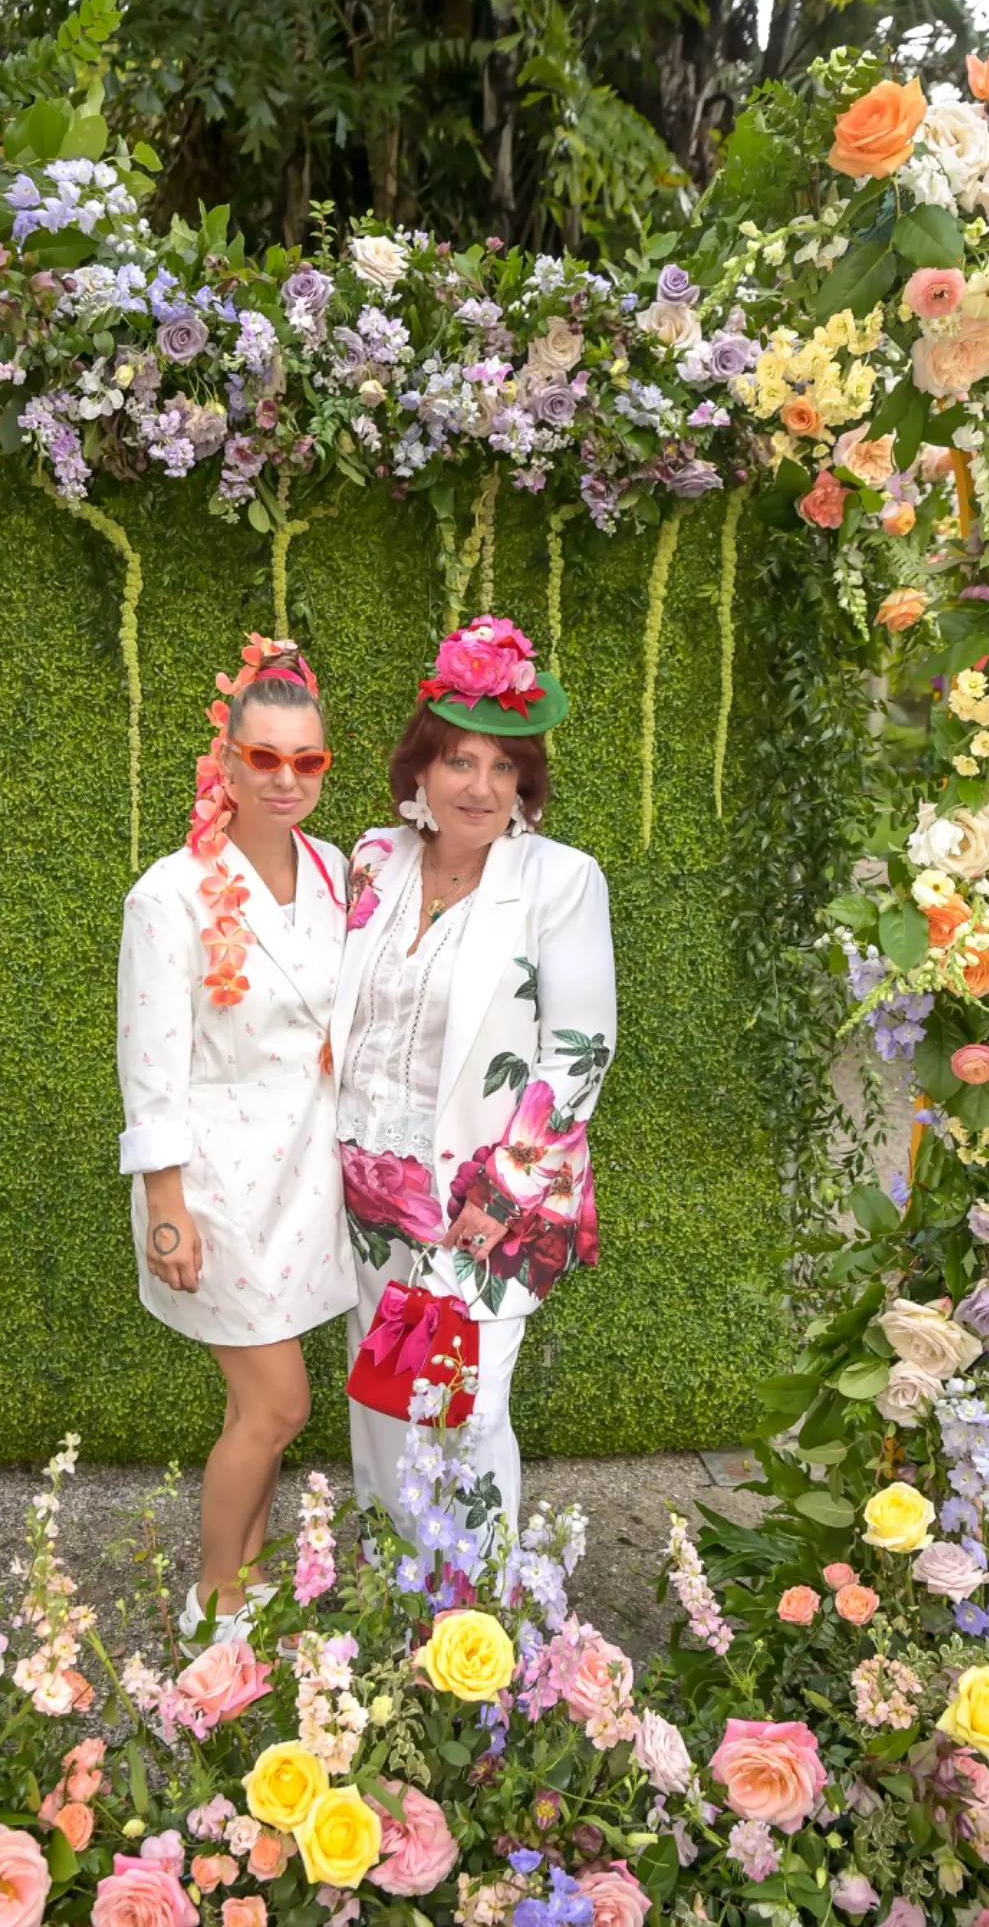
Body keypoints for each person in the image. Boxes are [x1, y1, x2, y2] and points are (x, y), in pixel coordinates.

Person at [331, 614, 616, 1544]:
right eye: (459, 761)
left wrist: (503, 1191)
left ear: (525, 784)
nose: (481, 787)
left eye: (503, 767)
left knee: (468, 1409)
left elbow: (580, 1048)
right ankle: (391, 1592)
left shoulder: (559, 879)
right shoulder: (373, 860)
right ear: (419, 770)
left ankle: (476, 1606)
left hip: (482, 1200)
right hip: (365, 1188)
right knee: (382, 1395)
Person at [117, 634, 354, 1644]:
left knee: (259, 1411)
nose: (285, 779)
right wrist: (165, 1204)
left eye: (307, 759)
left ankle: (250, 1580)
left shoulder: (337, 870)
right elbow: (150, 1059)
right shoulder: (169, 894)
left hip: (307, 1178)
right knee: (277, 1406)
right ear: (226, 760)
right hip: (215, 1187)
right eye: (264, 757)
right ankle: (212, 1605)